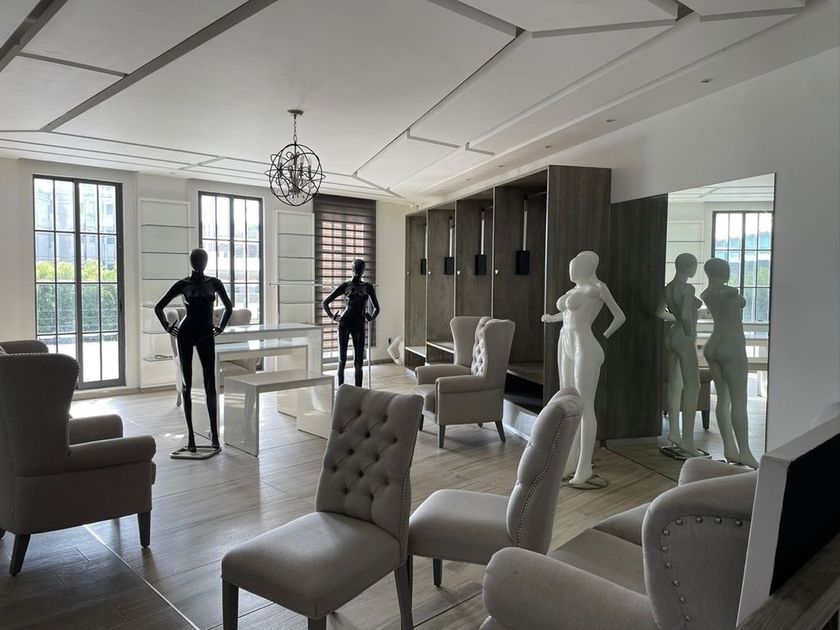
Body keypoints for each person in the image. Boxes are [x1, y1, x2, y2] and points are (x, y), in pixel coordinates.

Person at [542, 251, 625, 486]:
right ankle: (570, 460)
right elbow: (568, 314)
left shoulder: (598, 288)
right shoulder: (574, 290)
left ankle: (584, 467)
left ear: (588, 267)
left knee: (585, 406)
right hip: (565, 344)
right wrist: (551, 318)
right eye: (571, 266)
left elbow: (619, 316)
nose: (571, 270)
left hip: (585, 347)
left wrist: (605, 335)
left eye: (575, 265)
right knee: (568, 401)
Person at [154, 248, 232, 453]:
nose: (200, 263)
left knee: (210, 383)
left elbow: (229, 307)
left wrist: (221, 327)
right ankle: (190, 436)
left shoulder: (214, 283)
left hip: (206, 333)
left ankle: (214, 434)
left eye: (202, 260)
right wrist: (167, 326)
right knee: (187, 384)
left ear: (206, 262)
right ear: (191, 262)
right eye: (197, 260)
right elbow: (158, 307)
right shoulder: (183, 284)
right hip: (186, 333)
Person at [701, 258, 759, 468]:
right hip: (731, 346)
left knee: (723, 399)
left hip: (713, 345)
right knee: (739, 401)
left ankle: (730, 449)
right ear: (725, 272)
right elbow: (740, 300)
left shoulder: (706, 294)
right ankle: (745, 452)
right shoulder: (730, 292)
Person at [658, 253, 705, 457]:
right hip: (684, 338)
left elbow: (658, 312)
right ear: (691, 267)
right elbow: (686, 315)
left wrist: (674, 319)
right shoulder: (688, 288)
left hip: (671, 336)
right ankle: (687, 441)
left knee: (675, 385)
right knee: (693, 386)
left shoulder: (668, 287)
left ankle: (675, 433)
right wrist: (690, 332)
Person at [322, 259, 380, 387]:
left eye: (361, 267)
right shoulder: (345, 285)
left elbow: (377, 308)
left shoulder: (368, 287)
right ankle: (341, 390)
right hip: (345, 323)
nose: (358, 270)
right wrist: (332, 316)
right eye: (356, 267)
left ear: (363, 270)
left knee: (358, 362)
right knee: (342, 360)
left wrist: (371, 317)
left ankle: (358, 392)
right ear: (352, 269)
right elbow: (325, 302)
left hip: (359, 324)